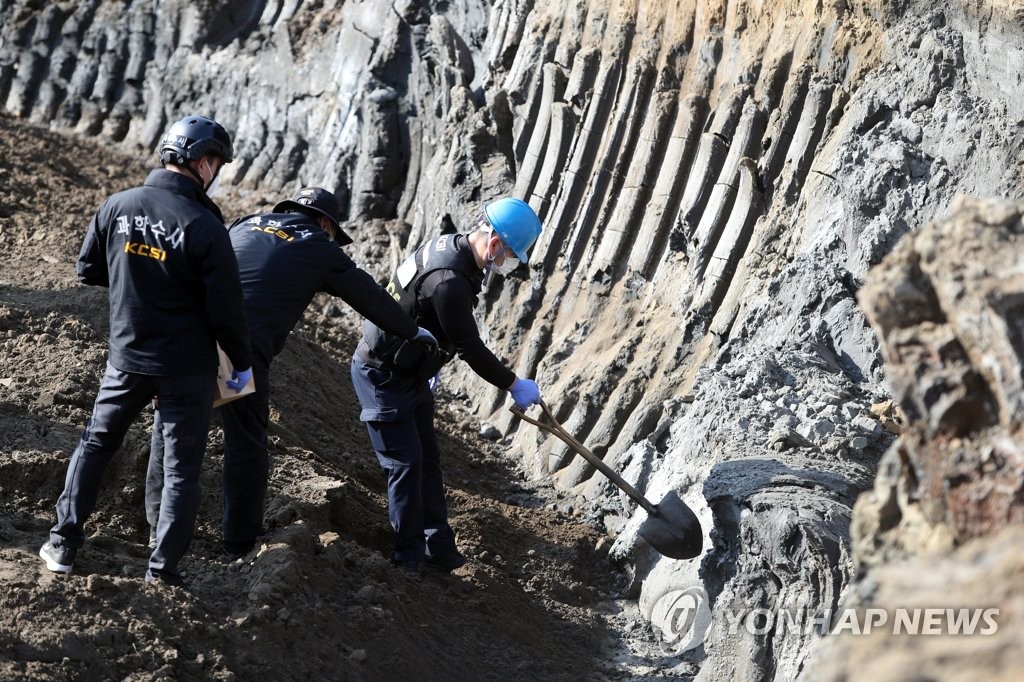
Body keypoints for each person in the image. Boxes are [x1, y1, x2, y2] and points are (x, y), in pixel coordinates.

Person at [146, 187, 436, 557]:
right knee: (245, 443)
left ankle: (157, 533)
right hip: (234, 356)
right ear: (324, 223)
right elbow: (370, 297)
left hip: (181, 335)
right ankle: (238, 542)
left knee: (169, 433)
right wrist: (412, 331)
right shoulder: (317, 243)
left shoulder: (245, 224)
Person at [39, 115, 252, 587]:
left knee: (96, 443)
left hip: (127, 357)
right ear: (203, 162)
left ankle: (62, 543)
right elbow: (226, 314)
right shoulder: (205, 225)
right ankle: (163, 571)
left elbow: (88, 270)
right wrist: (241, 361)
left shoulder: (119, 204)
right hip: (187, 369)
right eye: (216, 163)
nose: (215, 173)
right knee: (181, 471)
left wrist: (138, 282)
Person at [351, 197, 544, 574]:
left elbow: (423, 311)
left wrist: (432, 355)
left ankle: (438, 547)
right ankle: (408, 561)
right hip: (382, 374)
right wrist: (513, 384)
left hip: (411, 370)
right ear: (493, 244)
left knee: (428, 461)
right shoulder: (450, 282)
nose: (504, 265)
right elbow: (471, 346)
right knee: (404, 464)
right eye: (507, 257)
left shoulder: (453, 248)